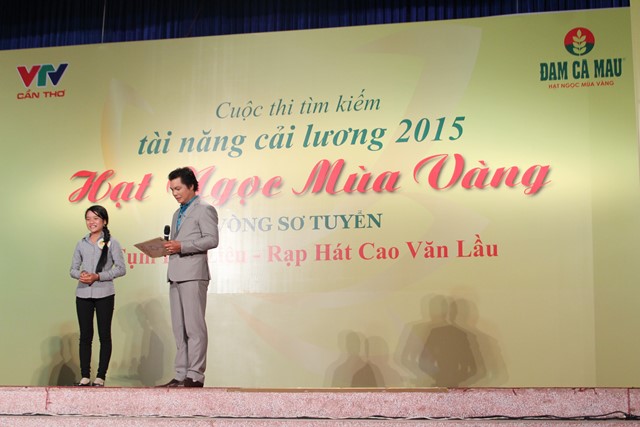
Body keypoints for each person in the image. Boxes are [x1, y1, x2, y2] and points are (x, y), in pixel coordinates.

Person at [159, 167, 219, 388]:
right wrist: (167, 247)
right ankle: (180, 373)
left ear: (192, 186)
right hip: (175, 274)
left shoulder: (204, 209)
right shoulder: (177, 213)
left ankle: (195, 374)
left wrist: (182, 246)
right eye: (172, 190)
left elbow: (212, 239)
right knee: (179, 328)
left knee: (194, 327)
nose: (175, 193)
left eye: (178, 188)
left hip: (193, 274)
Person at [70, 205, 126, 387]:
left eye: (95, 218)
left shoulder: (112, 242)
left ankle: (101, 376)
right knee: (85, 336)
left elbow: (121, 269)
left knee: (104, 335)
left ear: (104, 221)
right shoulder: (81, 243)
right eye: (88, 219)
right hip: (83, 293)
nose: (91, 222)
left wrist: (98, 276)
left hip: (105, 293)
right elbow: (72, 269)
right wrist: (81, 275)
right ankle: (85, 376)